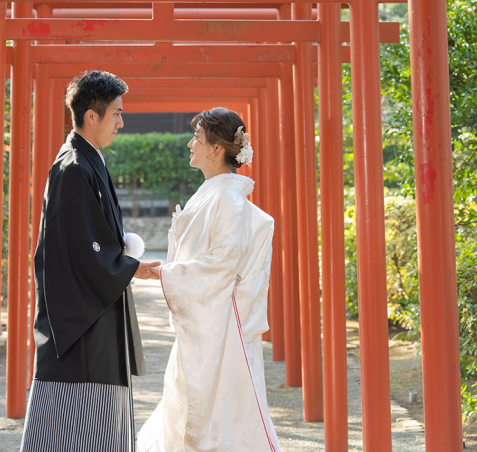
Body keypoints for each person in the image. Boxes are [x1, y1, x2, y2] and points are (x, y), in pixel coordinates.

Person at [20, 70, 160, 452]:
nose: (121, 121)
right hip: (79, 326)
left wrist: (129, 266)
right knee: (77, 423)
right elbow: (85, 251)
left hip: (90, 313)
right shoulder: (73, 167)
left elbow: (93, 243)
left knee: (90, 423)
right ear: (91, 116)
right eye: (115, 113)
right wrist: (127, 266)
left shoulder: (84, 160)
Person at [137, 108, 281, 452]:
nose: (190, 144)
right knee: (197, 405)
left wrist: (167, 274)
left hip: (222, 327)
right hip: (209, 322)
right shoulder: (218, 194)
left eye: (197, 139)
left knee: (218, 415)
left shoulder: (227, 199)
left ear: (216, 149)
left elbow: (222, 266)